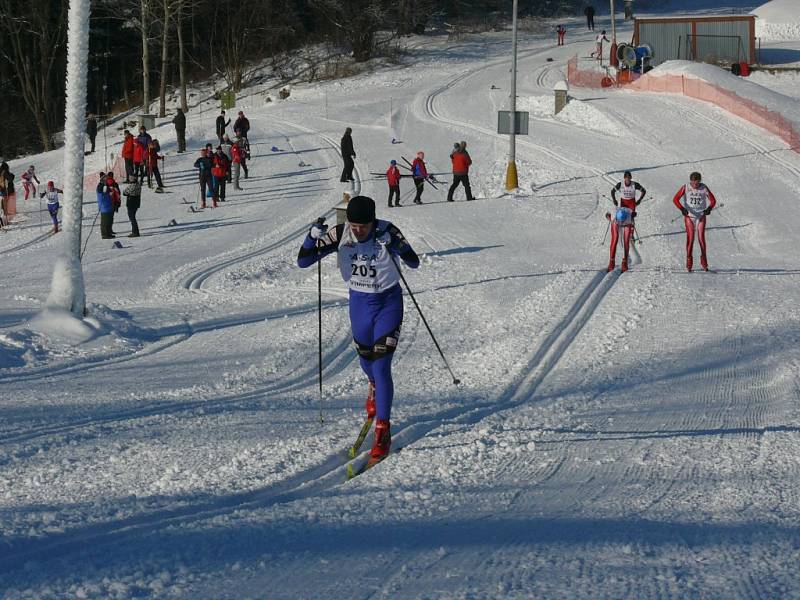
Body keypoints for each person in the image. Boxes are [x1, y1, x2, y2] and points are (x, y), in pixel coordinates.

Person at [297, 195, 420, 462]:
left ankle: (383, 430)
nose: (357, 230)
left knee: (381, 364)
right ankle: (374, 387)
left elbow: (413, 262)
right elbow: (304, 261)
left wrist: (396, 247)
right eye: (354, 225)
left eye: (363, 226)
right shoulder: (340, 233)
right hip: (359, 304)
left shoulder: (388, 230)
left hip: (388, 302)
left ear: (372, 221)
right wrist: (311, 238)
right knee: (366, 363)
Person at [672, 171, 717, 272]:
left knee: (701, 239)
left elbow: (713, 201)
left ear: (700, 181)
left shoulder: (704, 188)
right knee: (691, 239)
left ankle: (704, 262)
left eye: (696, 183)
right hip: (690, 217)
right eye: (692, 183)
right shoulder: (686, 187)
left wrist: (709, 208)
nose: (694, 185)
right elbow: (675, 199)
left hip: (701, 216)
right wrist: (682, 209)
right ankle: (689, 261)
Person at [608, 171, 646, 272]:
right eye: (626, 179)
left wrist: (639, 201)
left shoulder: (635, 185)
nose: (627, 180)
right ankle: (612, 261)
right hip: (623, 204)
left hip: (632, 204)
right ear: (624, 178)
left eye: (629, 179)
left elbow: (644, 191)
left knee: (631, 219)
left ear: (631, 178)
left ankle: (631, 233)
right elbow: (612, 191)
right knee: (623, 217)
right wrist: (614, 200)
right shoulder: (620, 184)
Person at [96, 172, 120, 239]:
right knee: (105, 222)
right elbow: (102, 192)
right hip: (104, 206)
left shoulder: (104, 185)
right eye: (105, 179)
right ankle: (105, 234)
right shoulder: (100, 186)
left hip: (108, 205)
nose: (106, 180)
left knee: (109, 220)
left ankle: (108, 233)